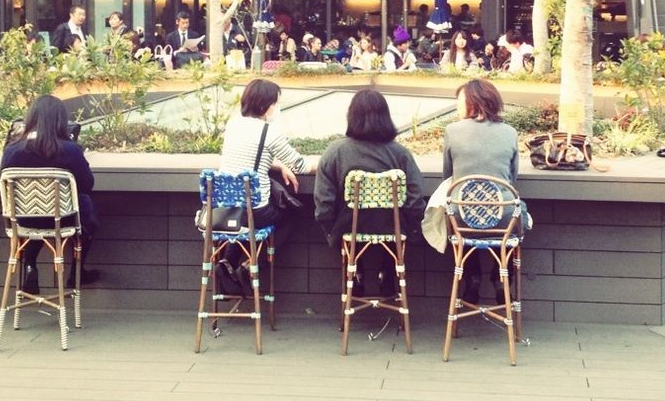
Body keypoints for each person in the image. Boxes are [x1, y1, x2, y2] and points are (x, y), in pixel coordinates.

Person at [313, 89, 425, 296]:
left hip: (349, 227)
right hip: (393, 227)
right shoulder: (400, 154)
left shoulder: (335, 152)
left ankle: (355, 270)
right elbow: (416, 199)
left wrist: (332, 230)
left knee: (345, 229)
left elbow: (323, 204)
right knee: (398, 231)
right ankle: (389, 271)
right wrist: (411, 225)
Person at [429, 78, 528, 302]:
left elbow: (448, 177)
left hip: (462, 219)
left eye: (459, 102)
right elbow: (512, 179)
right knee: (517, 214)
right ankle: (501, 274)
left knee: (459, 210)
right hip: (502, 218)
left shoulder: (452, 131)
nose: (457, 107)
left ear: (472, 102)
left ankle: (472, 276)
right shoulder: (510, 132)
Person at [1, 95, 100, 293]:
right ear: (61, 121)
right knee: (86, 207)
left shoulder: (12, 150)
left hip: (24, 221)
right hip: (63, 221)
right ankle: (76, 272)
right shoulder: (70, 150)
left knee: (38, 215)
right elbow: (87, 184)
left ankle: (30, 265)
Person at [218, 79, 309, 232]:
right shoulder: (269, 132)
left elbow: (250, 155)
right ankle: (261, 257)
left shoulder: (233, 124)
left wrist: (280, 165)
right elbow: (300, 166)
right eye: (275, 104)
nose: (277, 108)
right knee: (292, 216)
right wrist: (330, 162)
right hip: (254, 212)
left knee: (242, 220)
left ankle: (229, 257)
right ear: (263, 106)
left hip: (224, 209)